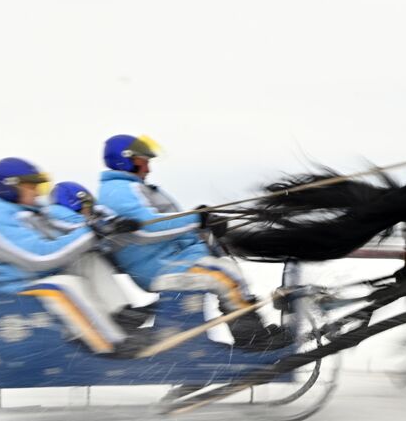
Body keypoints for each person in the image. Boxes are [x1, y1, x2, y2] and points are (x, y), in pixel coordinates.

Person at [96, 134, 291, 350]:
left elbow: (166, 225)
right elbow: (148, 227)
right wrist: (198, 218)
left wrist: (203, 224)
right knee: (225, 277)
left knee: (226, 268)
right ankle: (253, 338)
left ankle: (252, 332)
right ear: (126, 159)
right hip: (160, 267)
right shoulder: (120, 191)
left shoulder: (129, 188)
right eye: (143, 161)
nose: (148, 168)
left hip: (167, 260)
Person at [0, 158, 130, 355]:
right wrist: (91, 232)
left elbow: (64, 237)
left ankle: (123, 318)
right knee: (65, 285)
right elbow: (38, 258)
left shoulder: (29, 210)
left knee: (87, 260)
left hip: (29, 277)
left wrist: (103, 228)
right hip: (5, 288)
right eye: (30, 186)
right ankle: (112, 344)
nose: (37, 191)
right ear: (10, 187)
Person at [45, 181, 153, 333]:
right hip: (63, 267)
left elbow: (99, 218)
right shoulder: (55, 212)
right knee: (91, 261)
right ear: (72, 204)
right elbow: (79, 225)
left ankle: (124, 312)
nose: (88, 210)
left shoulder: (87, 215)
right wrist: (107, 225)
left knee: (107, 257)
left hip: (76, 262)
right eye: (85, 206)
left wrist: (118, 221)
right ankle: (119, 315)